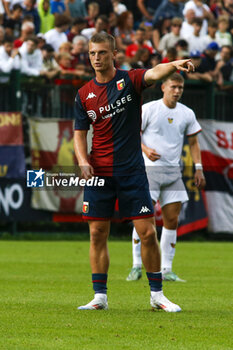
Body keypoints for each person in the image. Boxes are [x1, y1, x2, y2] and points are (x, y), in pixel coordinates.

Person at [74, 32, 195, 312]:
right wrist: (82, 160)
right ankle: (99, 297)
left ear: (114, 54)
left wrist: (174, 63)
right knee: (97, 234)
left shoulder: (129, 80)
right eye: (92, 53)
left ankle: (157, 296)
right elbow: (79, 133)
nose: (96, 58)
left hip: (132, 171)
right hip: (100, 173)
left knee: (147, 233)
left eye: (102, 53)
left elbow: (155, 72)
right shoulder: (83, 94)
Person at [126, 72, 206, 282]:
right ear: (163, 87)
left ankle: (166, 269)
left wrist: (198, 168)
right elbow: (133, 133)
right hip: (149, 170)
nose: (177, 91)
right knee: (143, 219)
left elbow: (194, 143)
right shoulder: (150, 109)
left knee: (172, 220)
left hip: (173, 172)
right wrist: (145, 149)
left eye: (180, 88)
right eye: (173, 87)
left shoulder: (187, 113)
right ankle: (136, 266)